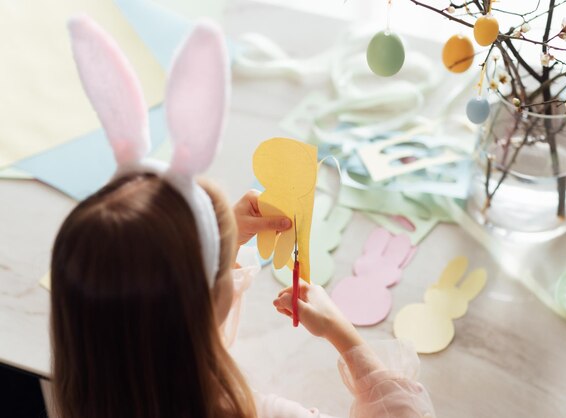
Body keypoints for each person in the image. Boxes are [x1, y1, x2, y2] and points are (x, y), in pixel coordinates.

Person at [49, 14, 435, 418]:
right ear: (208, 301)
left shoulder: (94, 394)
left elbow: (172, 331)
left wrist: (217, 249)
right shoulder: (257, 413)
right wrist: (347, 339)